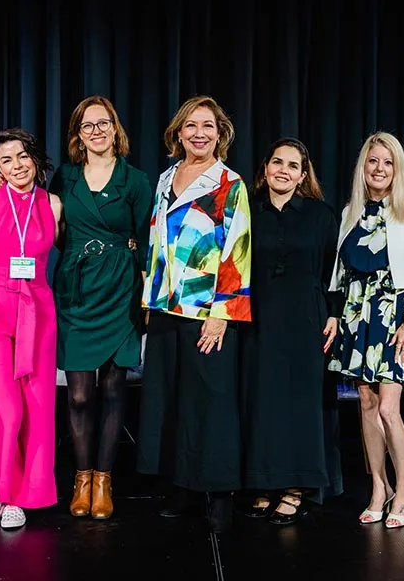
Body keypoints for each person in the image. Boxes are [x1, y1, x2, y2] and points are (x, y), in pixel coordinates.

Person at [137, 95, 251, 533]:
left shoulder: (230, 182)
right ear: (178, 133)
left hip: (208, 310)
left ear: (219, 134)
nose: (199, 133)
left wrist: (222, 311)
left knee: (212, 401)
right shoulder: (166, 178)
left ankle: (219, 493)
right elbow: (156, 244)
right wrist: (150, 300)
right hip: (166, 308)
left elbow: (237, 248)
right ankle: (181, 485)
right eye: (191, 126)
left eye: (208, 126)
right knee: (172, 398)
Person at [49, 96, 153, 519]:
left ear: (115, 129)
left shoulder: (135, 180)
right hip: (77, 290)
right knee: (77, 395)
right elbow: (52, 230)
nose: (95, 131)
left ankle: (105, 479)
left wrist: (146, 293)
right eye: (87, 125)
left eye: (103, 123)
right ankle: (82, 475)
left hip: (120, 289)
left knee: (112, 388)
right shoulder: (65, 177)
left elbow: (148, 241)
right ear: (78, 134)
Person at [328, 131, 404, 529]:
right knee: (367, 406)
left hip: (395, 315)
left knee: (389, 408)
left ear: (398, 169)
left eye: (388, 163)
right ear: (363, 167)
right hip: (358, 313)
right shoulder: (350, 211)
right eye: (373, 161)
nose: (380, 169)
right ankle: (379, 486)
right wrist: (336, 315)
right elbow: (339, 274)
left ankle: (403, 488)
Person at [240, 138, 342, 526]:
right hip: (258, 318)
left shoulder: (320, 215)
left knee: (301, 402)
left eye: (292, 165)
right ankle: (264, 483)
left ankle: (296, 488)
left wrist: (333, 314)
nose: (283, 170)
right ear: (265, 169)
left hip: (306, 318)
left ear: (302, 175)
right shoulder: (247, 211)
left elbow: (336, 271)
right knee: (262, 399)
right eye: (277, 162)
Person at [0, 128, 62, 529]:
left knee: (37, 410)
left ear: (35, 158)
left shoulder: (54, 204)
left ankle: (19, 495)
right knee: (4, 410)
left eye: (22, 156)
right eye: (6, 160)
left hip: (38, 311)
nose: (16, 166)